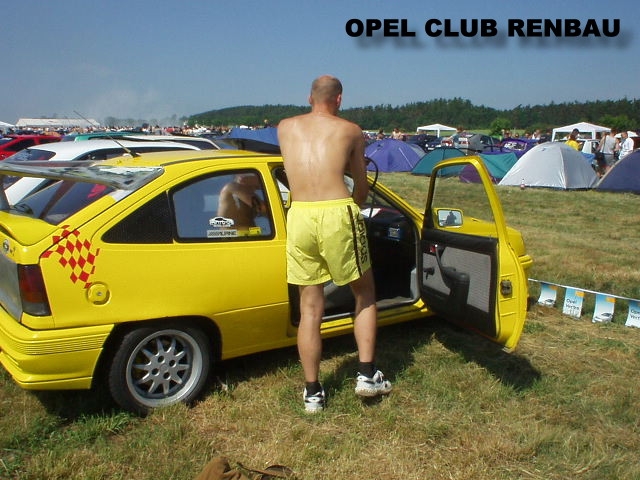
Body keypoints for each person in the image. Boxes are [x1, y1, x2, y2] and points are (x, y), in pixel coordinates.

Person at [277, 75, 392, 412]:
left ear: (309, 97)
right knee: (364, 292)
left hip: (299, 214)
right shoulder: (350, 130)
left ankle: (312, 392)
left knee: (310, 307)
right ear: (339, 99)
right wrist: (355, 203)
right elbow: (361, 185)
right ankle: (367, 375)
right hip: (336, 210)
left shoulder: (285, 127)